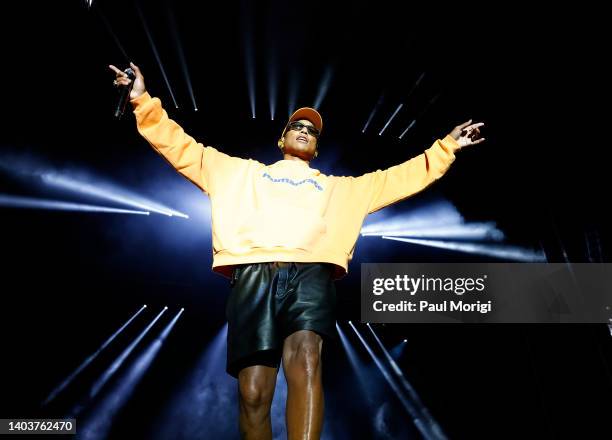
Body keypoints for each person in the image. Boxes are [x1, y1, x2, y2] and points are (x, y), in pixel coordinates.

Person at [109, 62, 485, 440]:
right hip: (253, 274)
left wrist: (447, 146)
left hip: (311, 275)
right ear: (282, 139)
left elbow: (398, 178)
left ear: (317, 147)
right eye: (297, 126)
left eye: (311, 131)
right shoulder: (240, 173)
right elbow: (181, 147)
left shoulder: (341, 189)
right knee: (253, 393)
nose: (304, 131)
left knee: (306, 363)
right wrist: (141, 98)